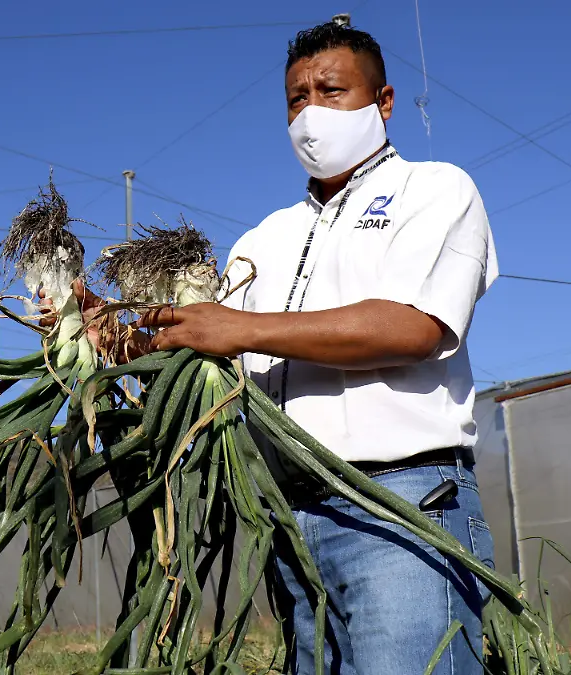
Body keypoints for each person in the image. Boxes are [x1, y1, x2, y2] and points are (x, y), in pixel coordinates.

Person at [48, 20, 498, 675]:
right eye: (296, 98)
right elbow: (209, 358)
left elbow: (415, 326)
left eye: (332, 90)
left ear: (385, 101)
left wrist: (238, 327)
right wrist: (111, 334)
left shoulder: (435, 191)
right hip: (290, 518)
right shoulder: (264, 238)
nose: (311, 112)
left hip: (400, 506)